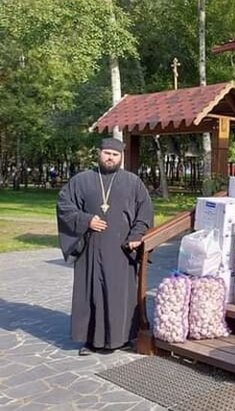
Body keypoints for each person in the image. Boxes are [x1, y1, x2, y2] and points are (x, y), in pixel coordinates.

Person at [56, 138, 154, 356]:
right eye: (107, 153)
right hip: (91, 249)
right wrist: (85, 220)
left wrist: (137, 235)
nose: (110, 157)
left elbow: (145, 212)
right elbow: (64, 205)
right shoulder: (81, 180)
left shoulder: (133, 182)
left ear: (121, 157)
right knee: (91, 294)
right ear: (98, 153)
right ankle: (91, 341)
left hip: (121, 250)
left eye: (115, 154)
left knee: (121, 295)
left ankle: (124, 337)